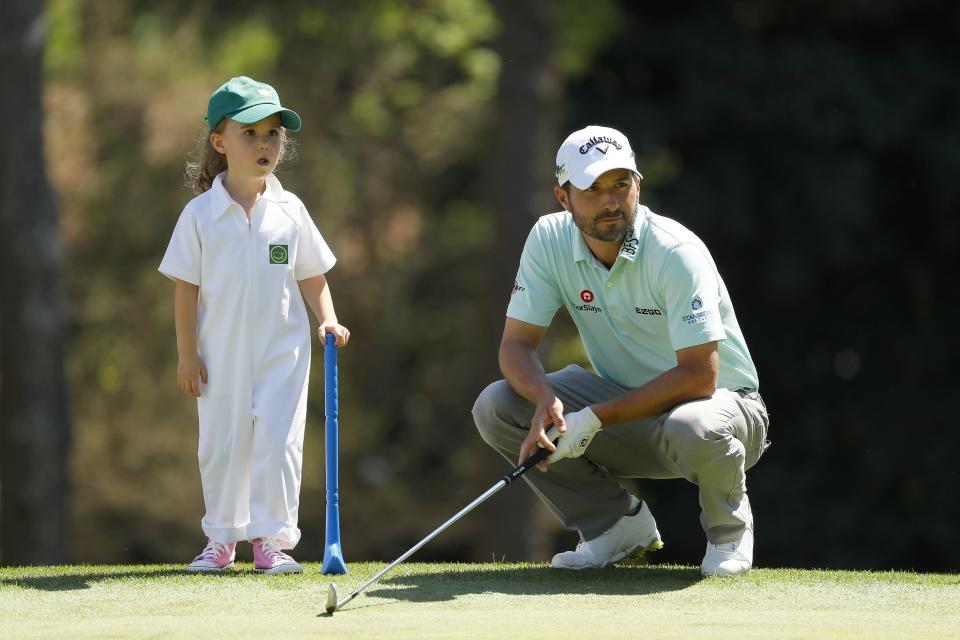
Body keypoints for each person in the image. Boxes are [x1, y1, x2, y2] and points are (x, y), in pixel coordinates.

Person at [472, 125, 769, 576]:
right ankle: (613, 528)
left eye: (620, 185)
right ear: (563, 196)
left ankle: (729, 535)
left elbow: (699, 377)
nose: (609, 202)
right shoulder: (548, 240)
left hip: (721, 414)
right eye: (591, 189)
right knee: (496, 404)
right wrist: (543, 399)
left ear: (638, 186)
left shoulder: (675, 251)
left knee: (694, 423)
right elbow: (516, 345)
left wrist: (593, 418)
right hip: (628, 412)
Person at [159, 76, 350, 574]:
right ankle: (222, 540)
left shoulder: (291, 210)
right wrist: (186, 354)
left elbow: (312, 275)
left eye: (273, 134)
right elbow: (186, 288)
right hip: (218, 356)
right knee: (221, 445)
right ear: (220, 143)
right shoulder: (200, 215)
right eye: (250, 133)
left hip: (282, 356)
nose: (264, 144)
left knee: (278, 445)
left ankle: (271, 540)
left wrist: (327, 319)